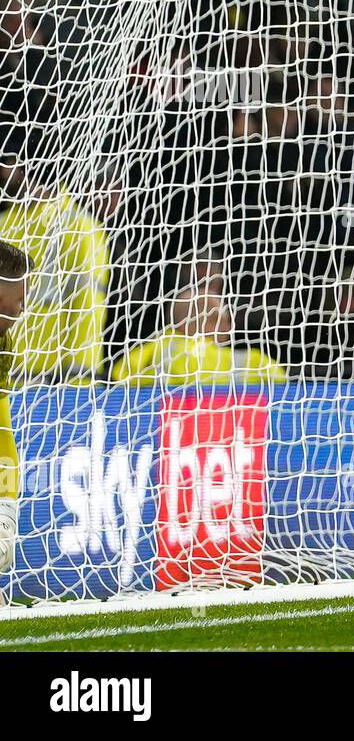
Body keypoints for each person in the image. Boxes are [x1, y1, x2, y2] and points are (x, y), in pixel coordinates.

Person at [0, 126, 109, 384]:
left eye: (6, 162)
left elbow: (87, 308)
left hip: (54, 387)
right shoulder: (4, 223)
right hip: (8, 377)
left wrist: (79, 383)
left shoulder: (78, 225)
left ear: (22, 165)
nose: (2, 172)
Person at [110, 269, 286, 387]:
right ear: (189, 322)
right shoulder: (255, 362)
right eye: (217, 319)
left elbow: (119, 378)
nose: (228, 328)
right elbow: (281, 385)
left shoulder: (148, 353)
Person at [0, 240, 29, 600]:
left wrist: (5, 507)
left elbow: (1, 429)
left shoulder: (3, 345)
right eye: (19, 297)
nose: (24, 307)